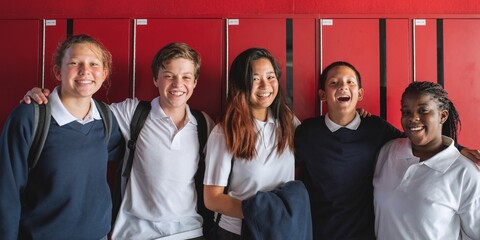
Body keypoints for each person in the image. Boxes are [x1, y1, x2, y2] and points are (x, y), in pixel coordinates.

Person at [23, 42, 215, 239]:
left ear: (195, 82)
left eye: (186, 77)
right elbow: (79, 108)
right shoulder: (133, 113)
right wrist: (44, 98)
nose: (177, 84)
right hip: (136, 232)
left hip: (189, 231)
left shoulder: (203, 124)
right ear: (156, 79)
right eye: (168, 76)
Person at [294, 61, 480, 240]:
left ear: (359, 94)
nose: (343, 86)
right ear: (323, 95)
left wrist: (458, 150)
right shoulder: (307, 132)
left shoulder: (376, 128)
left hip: (365, 234)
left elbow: (419, 137)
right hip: (319, 232)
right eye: (334, 83)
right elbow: (287, 170)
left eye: (350, 82)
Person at [0, 34, 125, 239]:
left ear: (104, 74)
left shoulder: (106, 117)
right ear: (58, 71)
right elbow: (7, 191)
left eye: (93, 64)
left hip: (98, 235)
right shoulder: (29, 117)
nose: (85, 71)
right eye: (75, 63)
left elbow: (125, 152)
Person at [203, 48, 308, 239]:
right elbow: (212, 199)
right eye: (255, 79)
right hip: (238, 232)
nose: (265, 85)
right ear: (241, 84)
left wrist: (353, 115)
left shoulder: (287, 121)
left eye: (270, 77)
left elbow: (320, 140)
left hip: (281, 230)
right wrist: (262, 213)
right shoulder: (225, 132)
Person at [373, 81, 479, 239]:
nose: (413, 118)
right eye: (406, 112)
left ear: (442, 115)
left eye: (423, 110)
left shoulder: (465, 173)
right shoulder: (389, 151)